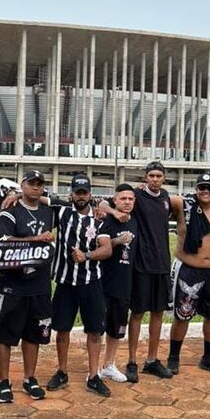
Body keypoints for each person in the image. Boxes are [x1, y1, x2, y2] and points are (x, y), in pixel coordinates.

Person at [99, 161, 174, 382]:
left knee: (158, 313)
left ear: (164, 178)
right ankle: (132, 361)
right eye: (151, 175)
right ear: (145, 178)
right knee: (138, 313)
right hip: (141, 264)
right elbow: (103, 203)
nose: (155, 179)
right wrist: (114, 212)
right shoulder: (136, 196)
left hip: (162, 265)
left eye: (159, 176)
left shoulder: (166, 197)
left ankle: (152, 360)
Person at [0, 170, 55, 403]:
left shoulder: (49, 211)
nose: (35, 187)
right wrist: (36, 239)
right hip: (12, 283)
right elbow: (3, 242)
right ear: (22, 185)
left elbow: (73, 204)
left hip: (40, 283)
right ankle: (3, 381)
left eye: (39, 184)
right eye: (31, 183)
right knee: (4, 334)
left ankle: (29, 378)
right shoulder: (10, 211)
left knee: (33, 334)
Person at [47, 174, 113, 397]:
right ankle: (62, 371)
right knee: (62, 328)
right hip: (65, 281)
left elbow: (107, 249)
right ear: (72, 194)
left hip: (90, 281)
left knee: (94, 331)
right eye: (78, 193)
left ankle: (93, 375)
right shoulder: (63, 212)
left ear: (90, 194)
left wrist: (86, 255)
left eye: (84, 193)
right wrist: (15, 195)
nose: (81, 197)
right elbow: (37, 198)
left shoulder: (99, 219)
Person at [167, 173, 210, 375]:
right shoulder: (181, 204)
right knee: (182, 314)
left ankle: (208, 357)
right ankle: (173, 357)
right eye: (201, 187)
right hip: (188, 268)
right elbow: (152, 200)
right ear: (195, 189)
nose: (205, 191)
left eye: (209, 188)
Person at [98, 183, 138, 382]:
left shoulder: (135, 220)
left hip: (125, 283)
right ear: (115, 200)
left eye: (130, 199)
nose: (127, 202)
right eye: (123, 198)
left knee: (117, 328)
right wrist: (117, 241)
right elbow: (101, 204)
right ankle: (94, 367)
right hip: (104, 282)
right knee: (97, 328)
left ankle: (109, 365)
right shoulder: (106, 220)